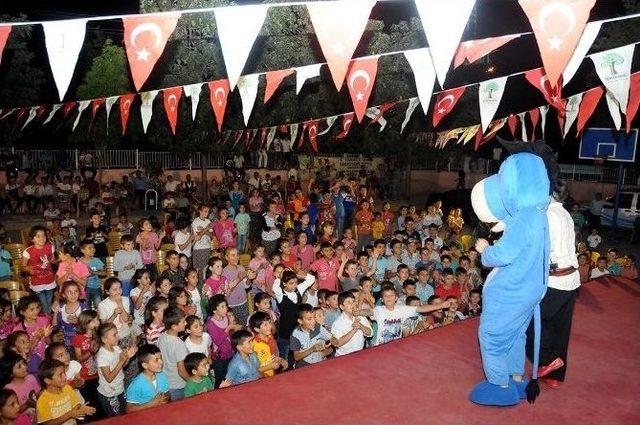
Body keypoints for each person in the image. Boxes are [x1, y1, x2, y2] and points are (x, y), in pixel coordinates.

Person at [526, 184, 580, 389]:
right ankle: (556, 375)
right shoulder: (565, 213)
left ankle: (546, 360)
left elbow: (541, 247)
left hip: (555, 280)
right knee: (560, 327)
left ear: (548, 195)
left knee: (532, 321)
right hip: (571, 279)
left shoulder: (547, 215)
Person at [36, 359, 96, 424]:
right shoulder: (42, 401)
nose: (65, 376)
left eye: (64, 372)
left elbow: (76, 404)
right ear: (48, 380)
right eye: (60, 375)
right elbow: (47, 423)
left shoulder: (67, 388)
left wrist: (82, 408)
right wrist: (69, 414)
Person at [96, 323, 137, 417]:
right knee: (116, 418)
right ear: (104, 339)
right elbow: (109, 378)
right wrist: (122, 361)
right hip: (109, 394)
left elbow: (122, 366)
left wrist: (128, 357)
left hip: (119, 389)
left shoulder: (116, 348)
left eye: (117, 333)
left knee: (124, 413)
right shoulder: (102, 356)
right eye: (114, 335)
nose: (118, 336)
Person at [156, 307, 189, 401]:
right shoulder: (179, 344)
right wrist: (192, 382)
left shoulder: (162, 336)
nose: (186, 323)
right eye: (183, 322)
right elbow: (181, 371)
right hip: (178, 386)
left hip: (165, 384)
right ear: (174, 326)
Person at [125, 344, 170, 412]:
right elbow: (129, 409)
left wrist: (165, 399)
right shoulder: (136, 385)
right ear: (145, 365)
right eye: (156, 360)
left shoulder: (162, 375)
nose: (161, 362)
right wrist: (151, 404)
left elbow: (167, 393)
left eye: (161, 358)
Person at [22, 226, 56, 314]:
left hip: (49, 279)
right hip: (37, 281)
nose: (42, 238)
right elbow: (23, 267)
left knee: (48, 302)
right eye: (38, 236)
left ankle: (46, 321)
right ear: (32, 239)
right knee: (44, 303)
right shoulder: (28, 251)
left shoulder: (50, 247)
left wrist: (61, 259)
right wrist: (29, 269)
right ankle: (47, 321)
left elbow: (53, 261)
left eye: (44, 235)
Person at [290, 304, 332, 368]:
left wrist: (330, 345)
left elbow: (332, 342)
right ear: (300, 321)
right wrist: (312, 349)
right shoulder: (295, 334)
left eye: (314, 317)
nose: (313, 321)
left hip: (319, 362)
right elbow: (296, 357)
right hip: (303, 365)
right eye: (309, 319)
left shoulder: (318, 327)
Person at [330, 292, 372, 356]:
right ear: (342, 307)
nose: (352, 304)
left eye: (353, 301)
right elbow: (337, 343)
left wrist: (361, 326)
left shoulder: (360, 316)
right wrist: (354, 330)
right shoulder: (337, 323)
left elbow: (370, 333)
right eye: (348, 302)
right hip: (344, 356)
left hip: (360, 353)